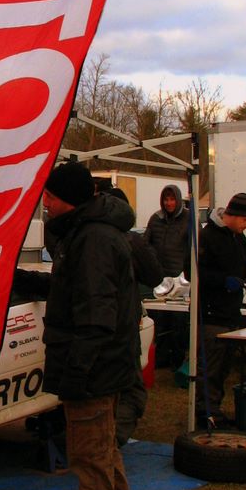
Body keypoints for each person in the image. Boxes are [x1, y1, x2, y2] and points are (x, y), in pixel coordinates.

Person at [16, 161, 139, 490]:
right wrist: (25, 280)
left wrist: (78, 372)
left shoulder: (92, 240)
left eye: (50, 197)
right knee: (103, 447)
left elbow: (95, 315)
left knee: (89, 454)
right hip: (103, 363)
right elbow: (74, 289)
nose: (46, 204)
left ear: (67, 199)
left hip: (93, 367)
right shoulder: (89, 232)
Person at [105, 186, 163, 446]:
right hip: (124, 321)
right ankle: (111, 442)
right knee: (130, 388)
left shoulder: (81, 235)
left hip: (95, 326)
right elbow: (154, 275)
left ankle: (103, 440)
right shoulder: (129, 240)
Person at [197, 192, 246, 427]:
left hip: (232, 313)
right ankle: (205, 412)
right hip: (211, 313)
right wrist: (223, 281)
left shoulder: (240, 240)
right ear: (232, 215)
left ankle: (216, 409)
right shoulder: (207, 237)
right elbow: (195, 272)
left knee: (224, 367)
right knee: (210, 367)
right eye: (245, 220)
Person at [144, 184, 190, 371]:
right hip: (160, 279)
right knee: (160, 320)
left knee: (179, 322)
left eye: (172, 199)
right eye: (166, 199)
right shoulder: (156, 218)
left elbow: (194, 248)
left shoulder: (189, 218)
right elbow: (145, 243)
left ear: (178, 200)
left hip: (180, 280)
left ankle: (178, 359)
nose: (169, 203)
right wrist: (151, 261)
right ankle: (161, 357)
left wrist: (187, 272)